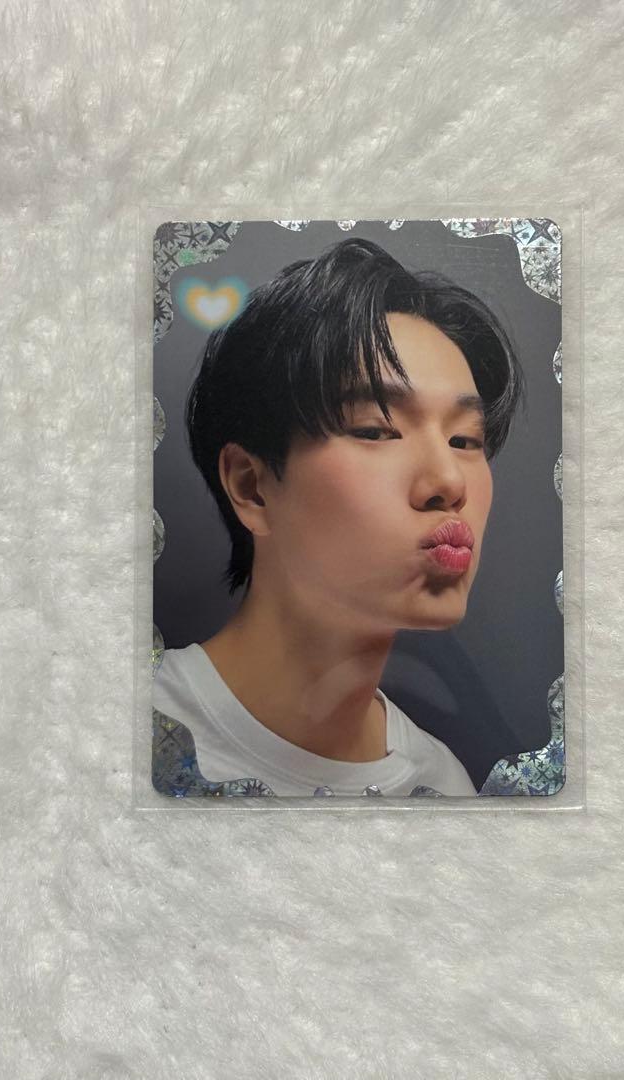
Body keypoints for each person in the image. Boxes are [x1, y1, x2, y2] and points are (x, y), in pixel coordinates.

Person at [152, 236, 526, 796]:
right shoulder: (130, 735)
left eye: (465, 440)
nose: (450, 482)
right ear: (252, 486)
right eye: (376, 430)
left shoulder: (442, 787)